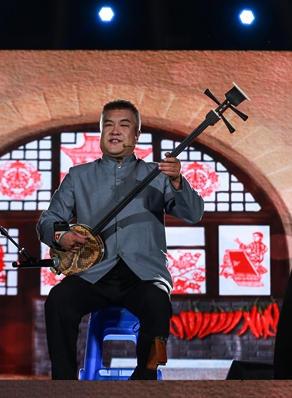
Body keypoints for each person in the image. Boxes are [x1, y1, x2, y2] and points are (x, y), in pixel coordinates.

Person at [37, 99, 204, 380]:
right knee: (58, 300)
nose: (115, 131)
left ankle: (143, 380)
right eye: (108, 125)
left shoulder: (157, 175)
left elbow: (193, 214)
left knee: (157, 302)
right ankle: (64, 384)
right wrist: (61, 235)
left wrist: (177, 181)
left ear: (136, 135)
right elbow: (48, 219)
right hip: (94, 273)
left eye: (124, 125)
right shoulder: (78, 176)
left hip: (143, 273)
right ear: (101, 132)